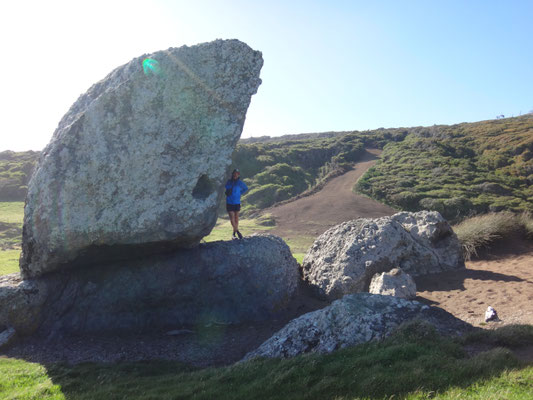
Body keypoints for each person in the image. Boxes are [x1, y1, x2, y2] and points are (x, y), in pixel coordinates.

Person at [225, 168, 248, 239]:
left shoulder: (240, 182)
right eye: (234, 174)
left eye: (237, 174)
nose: (235, 175)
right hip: (229, 202)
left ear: (238, 175)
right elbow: (225, 187)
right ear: (232, 174)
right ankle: (237, 231)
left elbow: (246, 188)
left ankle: (234, 234)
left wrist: (239, 193)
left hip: (237, 202)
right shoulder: (228, 182)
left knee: (236, 219)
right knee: (232, 218)